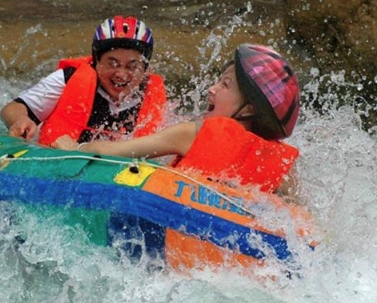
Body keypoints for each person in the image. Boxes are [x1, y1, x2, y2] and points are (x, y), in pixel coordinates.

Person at [52, 43, 301, 194]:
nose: (211, 89)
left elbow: (115, 151)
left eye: (224, 84)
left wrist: (76, 147)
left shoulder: (196, 133)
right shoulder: (282, 165)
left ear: (247, 109)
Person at [0, 16, 167, 146]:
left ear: (144, 68)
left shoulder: (150, 94)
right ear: (96, 61)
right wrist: (20, 120)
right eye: (112, 64)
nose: (122, 75)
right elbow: (12, 108)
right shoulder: (69, 79)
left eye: (132, 66)